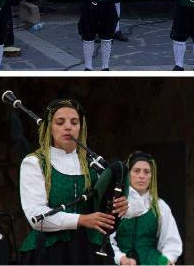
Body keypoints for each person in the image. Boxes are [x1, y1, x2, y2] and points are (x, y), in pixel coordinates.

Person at [18, 99, 138, 264]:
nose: (68, 127)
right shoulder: (35, 163)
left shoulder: (95, 165)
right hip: (49, 252)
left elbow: (137, 204)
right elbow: (36, 216)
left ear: (81, 128)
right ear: (49, 128)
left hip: (92, 253)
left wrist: (124, 206)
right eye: (60, 122)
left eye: (74, 122)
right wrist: (82, 220)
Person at [111, 151, 182, 265]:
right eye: (136, 171)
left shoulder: (160, 206)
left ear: (151, 176)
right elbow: (107, 240)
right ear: (128, 174)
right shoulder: (117, 203)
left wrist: (167, 259)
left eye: (146, 172)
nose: (142, 176)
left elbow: (171, 241)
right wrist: (121, 258)